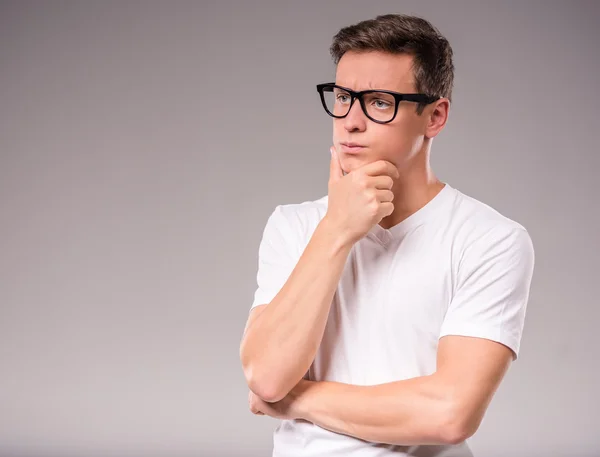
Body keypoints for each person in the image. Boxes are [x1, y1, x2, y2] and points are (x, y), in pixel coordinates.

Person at [239, 13, 535, 457]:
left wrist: (297, 400)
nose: (350, 122)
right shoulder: (294, 225)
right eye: (342, 97)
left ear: (434, 116)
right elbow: (265, 376)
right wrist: (337, 230)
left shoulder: (491, 240)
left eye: (379, 102)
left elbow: (449, 413)